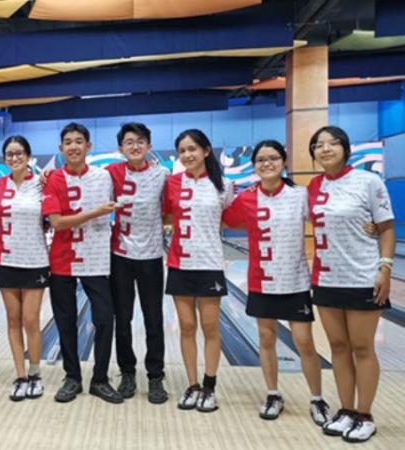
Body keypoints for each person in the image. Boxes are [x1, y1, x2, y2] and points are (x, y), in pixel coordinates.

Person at [222, 140, 330, 423]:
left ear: (283, 162)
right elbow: (225, 220)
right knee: (266, 339)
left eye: (273, 158)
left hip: (294, 281)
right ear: (254, 165)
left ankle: (317, 399)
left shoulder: (300, 195)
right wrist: (226, 194)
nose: (266, 164)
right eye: (260, 160)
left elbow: (325, 221)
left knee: (304, 342)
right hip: (262, 281)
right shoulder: (247, 197)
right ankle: (272, 393)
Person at [307, 126, 395, 443]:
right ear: (313, 153)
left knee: (362, 347)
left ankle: (365, 414)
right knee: (338, 348)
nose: (326, 148)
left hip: (362, 278)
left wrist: (384, 268)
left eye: (333, 143)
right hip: (327, 278)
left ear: (345, 148)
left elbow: (386, 228)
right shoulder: (313, 187)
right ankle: (346, 410)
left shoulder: (369, 182)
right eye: (319, 145)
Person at [43, 122, 122, 404]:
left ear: (89, 146)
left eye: (79, 141)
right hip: (62, 260)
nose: (73, 146)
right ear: (61, 148)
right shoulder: (53, 179)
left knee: (104, 319)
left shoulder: (105, 176)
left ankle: (100, 379)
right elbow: (57, 223)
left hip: (97, 260)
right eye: (68, 142)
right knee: (65, 322)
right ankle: (72, 377)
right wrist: (96, 212)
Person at [163, 129, 234, 413]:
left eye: (192, 148)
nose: (187, 154)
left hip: (210, 264)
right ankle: (192, 385)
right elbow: (165, 215)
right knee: (187, 328)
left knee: (209, 328)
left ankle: (209, 386)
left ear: (206, 151)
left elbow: (230, 219)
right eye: (182, 150)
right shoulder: (172, 183)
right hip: (180, 263)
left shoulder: (224, 185)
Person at [105, 123, 169, 404]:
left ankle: (155, 376)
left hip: (152, 257)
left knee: (154, 318)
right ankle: (127, 372)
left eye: (140, 141)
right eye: (129, 142)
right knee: (123, 318)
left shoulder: (162, 174)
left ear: (149, 146)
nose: (135, 146)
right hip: (120, 256)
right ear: (121, 148)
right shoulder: (111, 173)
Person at [0, 135, 50, 401]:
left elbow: (51, 217)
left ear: (28, 156)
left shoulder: (41, 183)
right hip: (6, 260)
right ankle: (20, 376)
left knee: (31, 320)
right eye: (9, 154)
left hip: (35, 260)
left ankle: (35, 373)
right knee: (13, 320)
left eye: (19, 154)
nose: (14, 158)